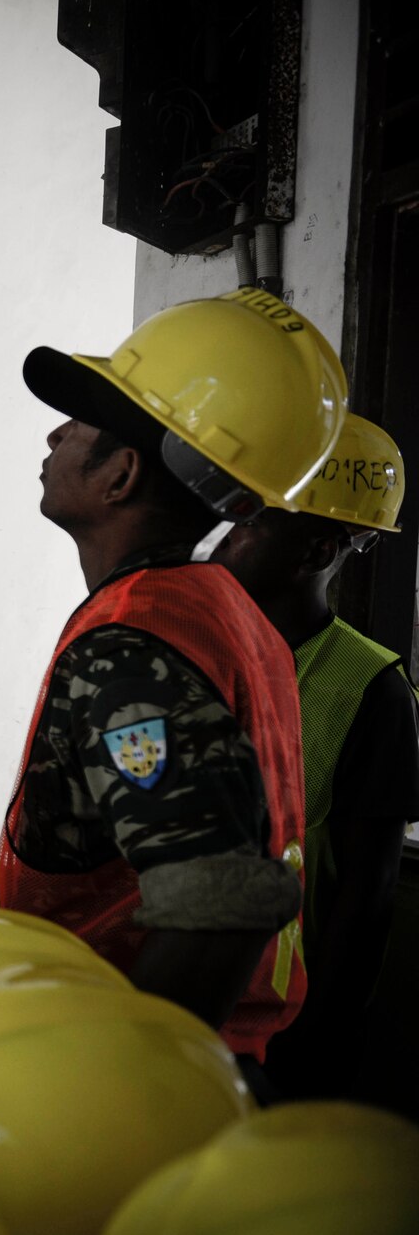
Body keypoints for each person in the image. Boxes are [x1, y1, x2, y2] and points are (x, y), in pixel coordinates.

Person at [0, 286, 347, 1070]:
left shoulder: (130, 642)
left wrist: (132, 1084)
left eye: (79, 424)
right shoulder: (226, 611)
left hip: (125, 1076)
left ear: (120, 476)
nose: (54, 433)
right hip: (228, 1055)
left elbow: (220, 906)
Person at [211, 414, 419, 1098]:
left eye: (249, 521)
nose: (225, 536)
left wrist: (315, 1049)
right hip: (177, 991)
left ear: (315, 549)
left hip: (278, 1034)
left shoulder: (373, 690)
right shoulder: (197, 649)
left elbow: (368, 899)